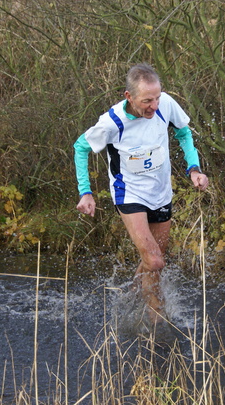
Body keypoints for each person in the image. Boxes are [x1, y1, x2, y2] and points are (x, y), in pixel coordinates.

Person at [74, 63, 209, 326]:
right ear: (129, 97)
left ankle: (130, 297)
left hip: (161, 192)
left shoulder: (165, 104)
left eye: (157, 97)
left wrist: (194, 168)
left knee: (154, 260)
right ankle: (156, 317)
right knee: (155, 260)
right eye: (147, 100)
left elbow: (184, 132)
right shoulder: (112, 122)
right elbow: (80, 148)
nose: (154, 106)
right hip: (130, 195)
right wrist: (85, 192)